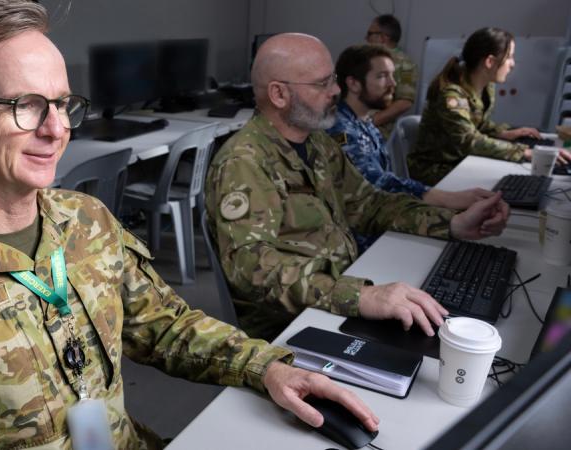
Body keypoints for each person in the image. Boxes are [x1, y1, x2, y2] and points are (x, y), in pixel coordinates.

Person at [0, 1, 380, 448]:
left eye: (62, 104)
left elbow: (167, 327)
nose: (55, 130)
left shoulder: (86, 221)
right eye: (24, 105)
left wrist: (268, 368)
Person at [204, 33, 510, 342]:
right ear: (279, 95)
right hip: (291, 326)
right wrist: (360, 296)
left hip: (340, 291)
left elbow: (368, 204)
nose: (336, 91)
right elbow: (252, 271)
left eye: (333, 80)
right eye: (322, 84)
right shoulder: (244, 163)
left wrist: (453, 224)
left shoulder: (317, 143)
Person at [327, 44, 494, 251]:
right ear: (353, 83)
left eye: (392, 75)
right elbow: (375, 184)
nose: (393, 84)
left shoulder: (364, 121)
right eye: (382, 76)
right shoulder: (340, 128)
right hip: (361, 242)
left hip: (382, 223)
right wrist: (446, 198)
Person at [408, 27, 571, 185]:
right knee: (501, 183)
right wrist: (525, 152)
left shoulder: (485, 87)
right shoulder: (452, 96)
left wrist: (505, 133)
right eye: (509, 57)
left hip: (460, 161)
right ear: (490, 61)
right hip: (434, 170)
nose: (512, 64)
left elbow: (478, 125)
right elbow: (469, 141)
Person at [365, 14, 417, 138]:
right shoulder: (366, 58)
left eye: (370, 34)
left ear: (383, 37)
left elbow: (405, 101)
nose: (366, 38)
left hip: (374, 130)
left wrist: (373, 121)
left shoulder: (405, 64)